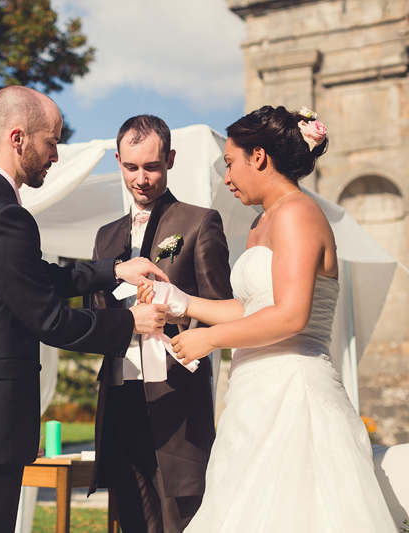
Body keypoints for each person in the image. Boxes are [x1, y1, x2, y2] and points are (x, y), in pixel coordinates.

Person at [0, 86, 170, 533]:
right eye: (51, 141)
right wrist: (130, 321)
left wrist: (114, 270)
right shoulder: (3, 215)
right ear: (18, 138)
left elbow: (35, 279)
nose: (56, 154)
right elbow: (48, 319)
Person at [143, 105, 396, 531]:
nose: (226, 177)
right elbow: (252, 307)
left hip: (294, 392)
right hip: (252, 399)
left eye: (230, 163)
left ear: (258, 157)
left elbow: (291, 316)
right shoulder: (262, 223)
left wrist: (210, 339)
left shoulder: (298, 213)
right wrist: (181, 301)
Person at [88, 115, 234, 532]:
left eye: (151, 166)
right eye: (131, 167)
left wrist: (179, 313)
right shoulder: (104, 236)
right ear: (118, 161)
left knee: (180, 519)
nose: (141, 178)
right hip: (118, 395)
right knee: (131, 517)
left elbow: (221, 311)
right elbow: (96, 312)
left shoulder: (198, 222)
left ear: (169, 160)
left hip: (176, 397)